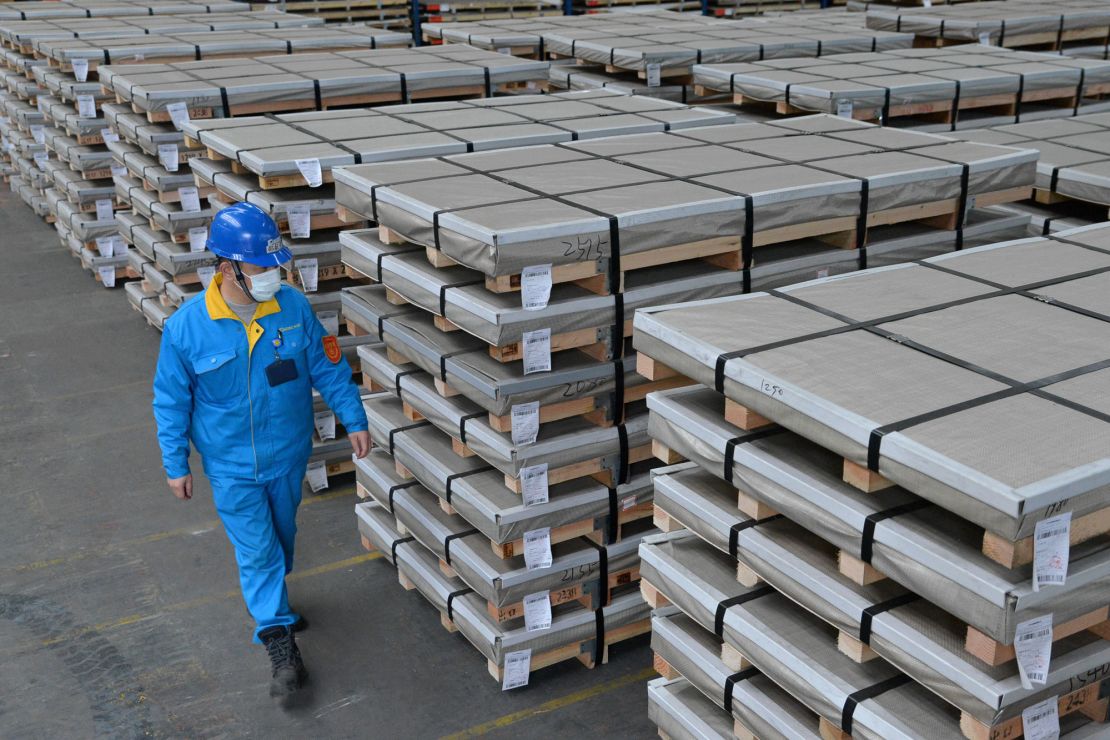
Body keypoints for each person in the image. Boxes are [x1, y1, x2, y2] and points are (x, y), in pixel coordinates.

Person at [152, 202, 370, 707]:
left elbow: (328, 365)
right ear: (228, 268)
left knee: (282, 536)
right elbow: (170, 400)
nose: (275, 273)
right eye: (262, 266)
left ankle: (276, 603)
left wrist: (353, 417)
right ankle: (277, 640)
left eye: (277, 264)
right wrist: (175, 463)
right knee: (258, 550)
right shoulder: (188, 328)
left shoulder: (291, 308)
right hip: (231, 466)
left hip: (289, 455)